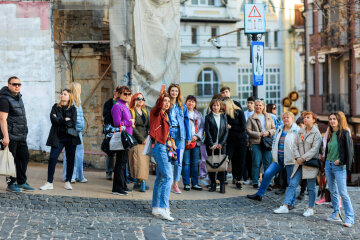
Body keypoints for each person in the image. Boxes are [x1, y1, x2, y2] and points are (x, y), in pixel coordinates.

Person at [274, 111, 322, 217]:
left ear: (314, 120)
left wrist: (303, 158)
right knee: (292, 183)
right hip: (299, 162)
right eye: (304, 117)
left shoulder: (316, 133)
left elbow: (314, 150)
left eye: (308, 117)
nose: (305, 119)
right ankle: (285, 206)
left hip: (310, 163)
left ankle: (310, 208)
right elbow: (295, 145)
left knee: (311, 187)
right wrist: (297, 157)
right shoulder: (301, 131)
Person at [247, 112, 300, 205]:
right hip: (278, 159)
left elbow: (299, 145)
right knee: (267, 174)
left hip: (290, 160)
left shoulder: (296, 130)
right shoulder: (280, 128)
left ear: (292, 119)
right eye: (284, 117)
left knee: (290, 182)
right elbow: (275, 141)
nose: (286, 119)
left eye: (288, 117)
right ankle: (259, 194)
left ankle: (291, 203)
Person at [40, 89, 81, 190]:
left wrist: (59, 120)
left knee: (70, 159)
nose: (62, 95)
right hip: (57, 137)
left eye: (64, 94)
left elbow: (72, 122)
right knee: (53, 158)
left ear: (69, 97)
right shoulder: (55, 106)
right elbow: (53, 120)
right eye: (61, 94)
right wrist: (65, 119)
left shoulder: (73, 109)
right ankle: (49, 182)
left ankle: (68, 181)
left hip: (70, 137)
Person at [0, 76, 35, 192]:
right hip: (11, 135)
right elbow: (2, 119)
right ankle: (11, 183)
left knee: (24, 157)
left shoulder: (18, 97)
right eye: (14, 84)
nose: (17, 86)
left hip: (21, 135)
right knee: (11, 159)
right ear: (9, 85)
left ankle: (21, 181)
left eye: (19, 84)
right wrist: (5, 136)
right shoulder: (4, 99)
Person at [324, 112, 354, 227]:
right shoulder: (331, 133)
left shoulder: (345, 133)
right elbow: (328, 150)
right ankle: (336, 213)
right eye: (330, 119)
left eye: (334, 119)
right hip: (328, 164)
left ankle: (350, 218)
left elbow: (350, 152)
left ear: (339, 120)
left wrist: (341, 161)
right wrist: (326, 161)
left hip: (339, 167)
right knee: (333, 191)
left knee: (343, 193)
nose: (332, 121)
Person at [150, 85, 174, 221]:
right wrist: (161, 96)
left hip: (164, 147)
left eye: (168, 101)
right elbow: (159, 106)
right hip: (159, 147)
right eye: (165, 101)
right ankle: (165, 208)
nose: (166, 103)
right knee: (168, 177)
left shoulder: (165, 114)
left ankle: (156, 207)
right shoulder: (156, 112)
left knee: (160, 178)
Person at [167, 84, 192, 194]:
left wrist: (188, 137)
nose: (174, 93)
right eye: (172, 91)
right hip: (169, 134)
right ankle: (168, 182)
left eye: (176, 91)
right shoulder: (166, 104)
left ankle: (175, 184)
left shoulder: (182, 106)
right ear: (169, 92)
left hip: (180, 135)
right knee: (169, 159)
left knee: (178, 161)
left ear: (178, 93)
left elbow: (187, 122)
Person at [246, 99, 276, 188]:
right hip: (256, 143)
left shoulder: (269, 117)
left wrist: (268, 132)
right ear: (254, 106)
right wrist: (259, 134)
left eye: (260, 105)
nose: (258, 107)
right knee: (256, 162)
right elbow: (248, 130)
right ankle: (255, 181)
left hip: (266, 142)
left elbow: (274, 128)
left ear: (263, 107)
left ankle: (268, 182)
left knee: (267, 163)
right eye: (257, 105)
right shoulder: (251, 117)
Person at [111, 86, 134, 196]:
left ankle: (122, 185)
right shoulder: (117, 106)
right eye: (125, 94)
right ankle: (117, 188)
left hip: (126, 138)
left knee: (123, 162)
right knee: (120, 163)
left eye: (129, 94)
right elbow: (116, 122)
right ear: (119, 94)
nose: (127, 96)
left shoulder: (125, 106)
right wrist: (130, 122)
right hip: (121, 138)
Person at [62, 82, 86, 183]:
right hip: (72, 132)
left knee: (79, 155)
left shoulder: (78, 102)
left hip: (78, 132)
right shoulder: (70, 102)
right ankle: (69, 176)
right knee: (71, 154)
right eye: (79, 89)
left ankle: (79, 175)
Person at [204, 98, 229, 193]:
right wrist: (212, 144)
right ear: (211, 106)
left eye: (218, 105)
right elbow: (207, 131)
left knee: (222, 165)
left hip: (222, 145)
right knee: (211, 164)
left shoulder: (224, 117)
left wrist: (221, 143)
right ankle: (213, 184)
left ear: (220, 106)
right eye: (214, 105)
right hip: (211, 145)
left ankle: (222, 185)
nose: (216, 107)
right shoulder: (208, 117)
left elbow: (226, 131)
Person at [128, 93, 150, 192]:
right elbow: (132, 128)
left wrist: (149, 137)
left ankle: (140, 182)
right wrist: (142, 139)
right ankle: (141, 182)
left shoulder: (145, 112)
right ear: (134, 100)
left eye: (143, 99)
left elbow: (148, 126)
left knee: (144, 162)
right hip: (137, 140)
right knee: (138, 162)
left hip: (146, 140)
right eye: (138, 98)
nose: (141, 100)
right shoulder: (131, 111)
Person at [222, 97, 246, 190]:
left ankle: (238, 180)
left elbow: (243, 127)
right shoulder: (224, 113)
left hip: (240, 140)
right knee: (227, 159)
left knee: (239, 161)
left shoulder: (239, 112)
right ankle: (222, 178)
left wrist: (231, 127)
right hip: (229, 141)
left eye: (224, 105)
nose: (222, 107)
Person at [182, 95, 203, 191]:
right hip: (186, 142)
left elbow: (202, 127)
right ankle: (186, 183)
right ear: (185, 103)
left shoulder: (199, 115)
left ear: (195, 104)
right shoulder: (182, 113)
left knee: (195, 163)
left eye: (193, 102)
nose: (191, 103)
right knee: (186, 163)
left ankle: (195, 183)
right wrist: (187, 137)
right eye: (189, 101)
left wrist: (196, 136)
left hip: (196, 142)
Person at [102, 89, 119, 180]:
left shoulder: (122, 103)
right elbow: (105, 115)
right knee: (110, 152)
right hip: (110, 130)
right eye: (116, 92)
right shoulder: (109, 103)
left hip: (119, 129)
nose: (118, 94)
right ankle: (109, 171)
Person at [244, 96, 255, 185]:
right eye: (248, 102)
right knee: (247, 159)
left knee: (254, 160)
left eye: (251, 103)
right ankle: (247, 177)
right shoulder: (244, 113)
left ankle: (254, 177)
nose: (249, 104)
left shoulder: (256, 114)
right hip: (246, 140)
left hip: (254, 140)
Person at [295, 116, 307, 200]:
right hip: (298, 157)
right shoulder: (298, 133)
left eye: (300, 125)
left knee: (305, 176)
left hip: (306, 157)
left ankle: (303, 191)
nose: (299, 127)